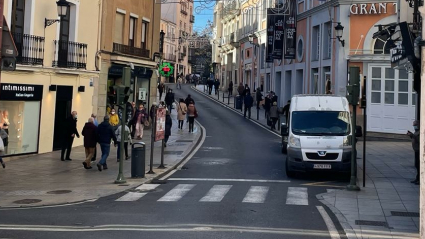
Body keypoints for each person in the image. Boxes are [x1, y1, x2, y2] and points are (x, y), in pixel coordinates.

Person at [408, 120, 420, 185]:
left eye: (415, 125)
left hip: (419, 150)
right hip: (416, 150)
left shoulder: (420, 132)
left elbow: (419, 140)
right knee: (416, 165)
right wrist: (411, 135)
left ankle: (419, 179)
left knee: (418, 165)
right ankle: (417, 178)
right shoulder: (416, 132)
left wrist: (413, 135)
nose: (414, 126)